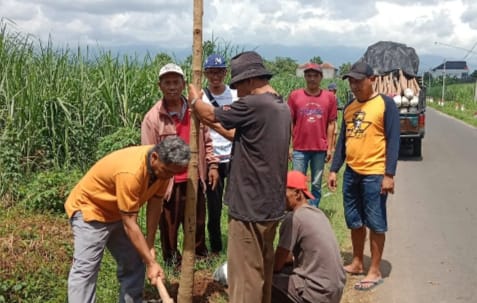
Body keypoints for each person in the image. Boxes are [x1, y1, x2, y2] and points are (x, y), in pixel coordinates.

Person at [187, 51, 291, 303]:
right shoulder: (279, 105)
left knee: (245, 279)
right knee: (261, 273)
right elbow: (235, 134)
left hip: (249, 208)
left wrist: (194, 100)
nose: (237, 91)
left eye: (238, 85)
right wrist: (208, 119)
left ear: (251, 80)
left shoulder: (254, 104)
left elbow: (209, 113)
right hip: (270, 206)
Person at [65, 136, 190, 303]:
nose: (170, 177)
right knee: (86, 270)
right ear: (155, 158)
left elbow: (155, 204)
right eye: (168, 172)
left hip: (118, 212)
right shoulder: (131, 172)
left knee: (135, 260)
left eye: (174, 173)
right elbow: (130, 223)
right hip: (91, 210)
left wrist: (149, 245)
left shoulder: (163, 170)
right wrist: (151, 263)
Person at [327, 61, 400, 291]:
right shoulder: (349, 107)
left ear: (372, 79)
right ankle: (357, 262)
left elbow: (393, 141)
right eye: (351, 81)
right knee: (355, 220)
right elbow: (342, 143)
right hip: (352, 173)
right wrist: (333, 169)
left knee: (376, 222)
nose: (355, 85)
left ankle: (375, 270)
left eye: (359, 80)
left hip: (375, 174)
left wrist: (389, 174)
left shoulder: (385, 105)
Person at [141, 63, 219, 266]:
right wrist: (155, 183)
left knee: (198, 219)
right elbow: (148, 153)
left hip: (195, 176)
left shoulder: (196, 111)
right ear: (160, 86)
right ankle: (172, 260)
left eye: (176, 82)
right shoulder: (153, 118)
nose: (172, 86)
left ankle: (199, 254)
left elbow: (207, 140)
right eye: (167, 82)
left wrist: (212, 165)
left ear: (184, 84)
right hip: (169, 182)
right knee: (169, 223)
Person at [272, 170, 346, 303]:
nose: (279, 196)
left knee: (264, 280)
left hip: (318, 293)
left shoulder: (293, 218)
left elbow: (277, 264)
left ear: (297, 194)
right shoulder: (318, 213)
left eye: (283, 192)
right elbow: (288, 257)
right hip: (335, 289)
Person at [201, 54, 238, 254]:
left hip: (233, 157)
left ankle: (235, 245)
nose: (215, 76)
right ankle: (215, 248)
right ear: (206, 74)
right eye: (211, 72)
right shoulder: (201, 96)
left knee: (235, 205)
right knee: (213, 208)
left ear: (225, 73)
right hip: (212, 158)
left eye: (219, 71)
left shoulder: (234, 95)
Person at [288, 63, 338, 207]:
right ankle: (298, 209)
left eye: (315, 76)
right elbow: (290, 122)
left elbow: (331, 124)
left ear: (321, 77)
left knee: (316, 183)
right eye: (309, 76)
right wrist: (289, 146)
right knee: (297, 182)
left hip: (319, 148)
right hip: (299, 148)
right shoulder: (295, 96)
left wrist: (329, 148)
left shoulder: (329, 98)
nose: (312, 79)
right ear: (304, 77)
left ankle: (313, 210)